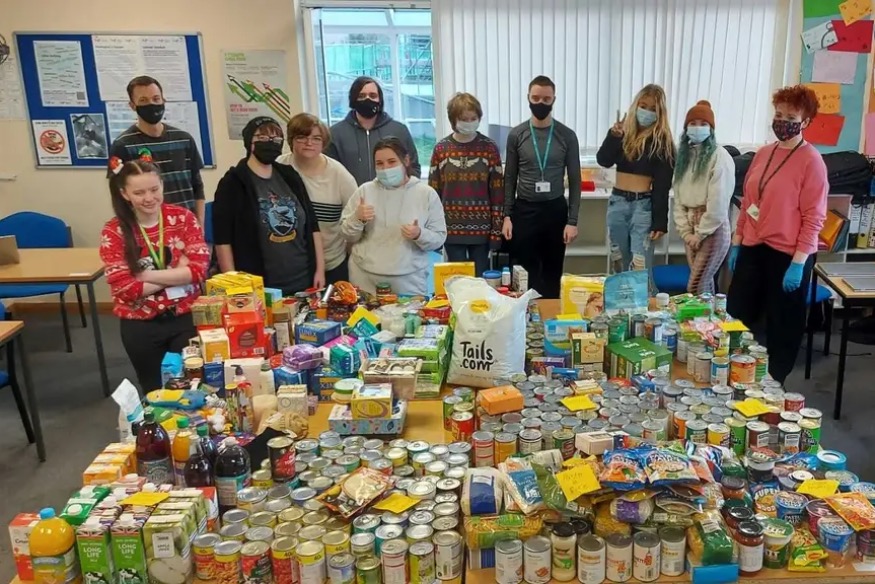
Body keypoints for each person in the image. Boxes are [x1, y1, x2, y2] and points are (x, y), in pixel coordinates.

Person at [728, 85, 828, 383]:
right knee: (737, 314)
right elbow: (749, 202)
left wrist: (799, 262)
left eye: (791, 116)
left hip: (788, 255)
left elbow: (814, 218)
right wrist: (737, 241)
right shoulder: (763, 154)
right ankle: (733, 376)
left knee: (782, 324)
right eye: (779, 114)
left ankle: (775, 383)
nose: (782, 121)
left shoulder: (812, 162)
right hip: (753, 247)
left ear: (806, 121)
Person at [99, 159, 209, 392]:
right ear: (125, 194)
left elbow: (198, 271)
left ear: (162, 186)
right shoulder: (114, 230)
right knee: (154, 390)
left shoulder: (183, 218)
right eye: (139, 192)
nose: (148, 198)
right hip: (140, 323)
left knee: (192, 385)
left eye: (154, 189)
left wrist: (144, 275)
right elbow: (125, 289)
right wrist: (178, 272)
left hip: (185, 316)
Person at [213, 116, 326, 295]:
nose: (270, 143)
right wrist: (235, 285)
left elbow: (313, 226)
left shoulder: (289, 175)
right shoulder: (233, 183)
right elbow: (222, 241)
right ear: (249, 142)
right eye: (263, 138)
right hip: (260, 286)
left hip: (304, 279)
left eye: (276, 139)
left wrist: (319, 270)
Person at [502, 76, 581, 299]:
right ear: (528, 98)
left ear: (554, 99)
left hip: (555, 210)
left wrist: (572, 221)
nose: (540, 103)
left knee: (552, 271)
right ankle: (524, 319)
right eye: (535, 98)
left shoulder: (567, 135)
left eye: (546, 99)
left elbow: (575, 180)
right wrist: (507, 216)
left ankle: (549, 321)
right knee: (524, 272)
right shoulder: (517, 135)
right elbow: (510, 178)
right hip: (524, 210)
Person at [340, 137, 446, 295]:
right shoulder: (365, 191)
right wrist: (358, 218)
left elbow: (439, 237)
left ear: (406, 160)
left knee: (409, 319)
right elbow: (347, 235)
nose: (386, 168)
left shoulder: (425, 194)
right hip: (365, 277)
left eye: (391, 162)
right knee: (366, 319)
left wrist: (419, 234)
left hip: (409, 279)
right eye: (380, 164)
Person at [597, 84, 675, 277]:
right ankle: (619, 304)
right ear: (635, 105)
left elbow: (662, 186)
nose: (646, 112)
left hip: (643, 206)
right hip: (618, 202)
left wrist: (660, 222)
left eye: (653, 109)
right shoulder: (623, 133)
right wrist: (613, 136)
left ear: (660, 113)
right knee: (618, 261)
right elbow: (604, 160)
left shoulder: (662, 141)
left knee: (640, 265)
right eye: (643, 105)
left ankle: (644, 304)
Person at [108, 76, 206, 225]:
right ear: (132, 105)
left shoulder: (184, 139)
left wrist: (199, 224)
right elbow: (118, 193)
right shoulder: (122, 145)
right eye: (143, 100)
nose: (151, 104)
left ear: (163, 100)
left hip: (186, 226)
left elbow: (197, 186)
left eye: (156, 99)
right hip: (147, 230)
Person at [429, 92, 504, 275]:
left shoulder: (489, 148)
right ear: (453, 119)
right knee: (457, 283)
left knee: (480, 282)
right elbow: (433, 194)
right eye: (464, 118)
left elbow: (497, 193)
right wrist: (434, 231)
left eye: (473, 118)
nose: (469, 122)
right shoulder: (441, 149)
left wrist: (496, 232)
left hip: (482, 232)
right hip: (451, 230)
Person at [277, 113, 358, 284]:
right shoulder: (278, 168)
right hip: (291, 265)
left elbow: (355, 222)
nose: (309, 143)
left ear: (324, 142)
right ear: (291, 140)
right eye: (302, 137)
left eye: (316, 138)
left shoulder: (340, 176)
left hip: (332, 263)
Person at [672, 100, 735, 294]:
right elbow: (679, 199)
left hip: (712, 229)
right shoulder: (684, 157)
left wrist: (700, 233)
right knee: (704, 288)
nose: (697, 128)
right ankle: (705, 324)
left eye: (703, 124)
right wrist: (686, 233)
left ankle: (701, 323)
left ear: (711, 129)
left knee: (696, 285)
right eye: (693, 123)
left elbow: (718, 202)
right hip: (690, 231)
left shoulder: (720, 156)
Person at [327, 76, 422, 185]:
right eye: (362, 96)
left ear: (380, 100)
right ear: (353, 99)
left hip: (395, 198)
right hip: (352, 199)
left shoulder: (399, 130)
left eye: (373, 96)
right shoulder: (336, 134)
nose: (367, 99)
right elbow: (330, 172)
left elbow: (413, 167)